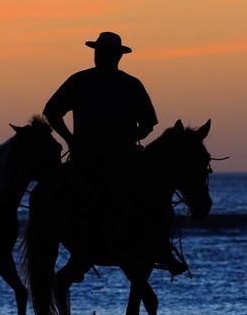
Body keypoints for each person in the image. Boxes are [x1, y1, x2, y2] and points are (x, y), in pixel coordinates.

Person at [42, 31, 188, 275]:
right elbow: (149, 124)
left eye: (105, 52)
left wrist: (70, 139)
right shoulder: (127, 84)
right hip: (111, 158)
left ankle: (157, 246)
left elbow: (51, 112)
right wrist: (72, 138)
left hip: (99, 156)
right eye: (101, 52)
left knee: (154, 195)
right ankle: (160, 249)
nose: (102, 56)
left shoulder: (85, 81)